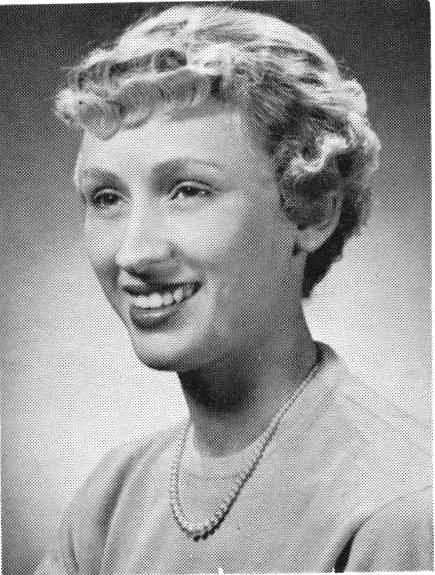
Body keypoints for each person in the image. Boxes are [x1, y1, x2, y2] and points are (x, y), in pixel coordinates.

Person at [36, 4, 432, 573]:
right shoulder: (109, 501)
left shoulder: (401, 506)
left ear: (310, 209)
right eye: (106, 197)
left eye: (188, 190)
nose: (134, 253)